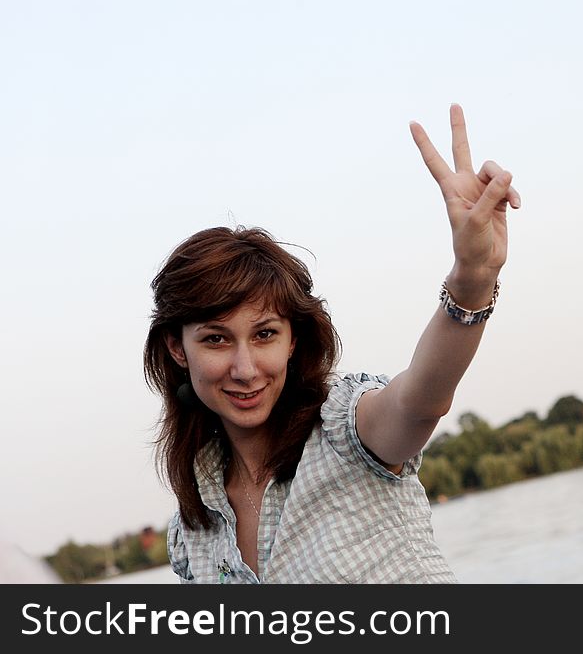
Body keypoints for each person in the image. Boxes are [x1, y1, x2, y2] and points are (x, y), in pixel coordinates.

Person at [144, 104, 520, 583]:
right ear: (178, 349)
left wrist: (472, 279)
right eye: (216, 340)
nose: (244, 368)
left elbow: (420, 400)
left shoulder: (346, 432)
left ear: (293, 340)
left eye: (264, 335)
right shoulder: (194, 527)